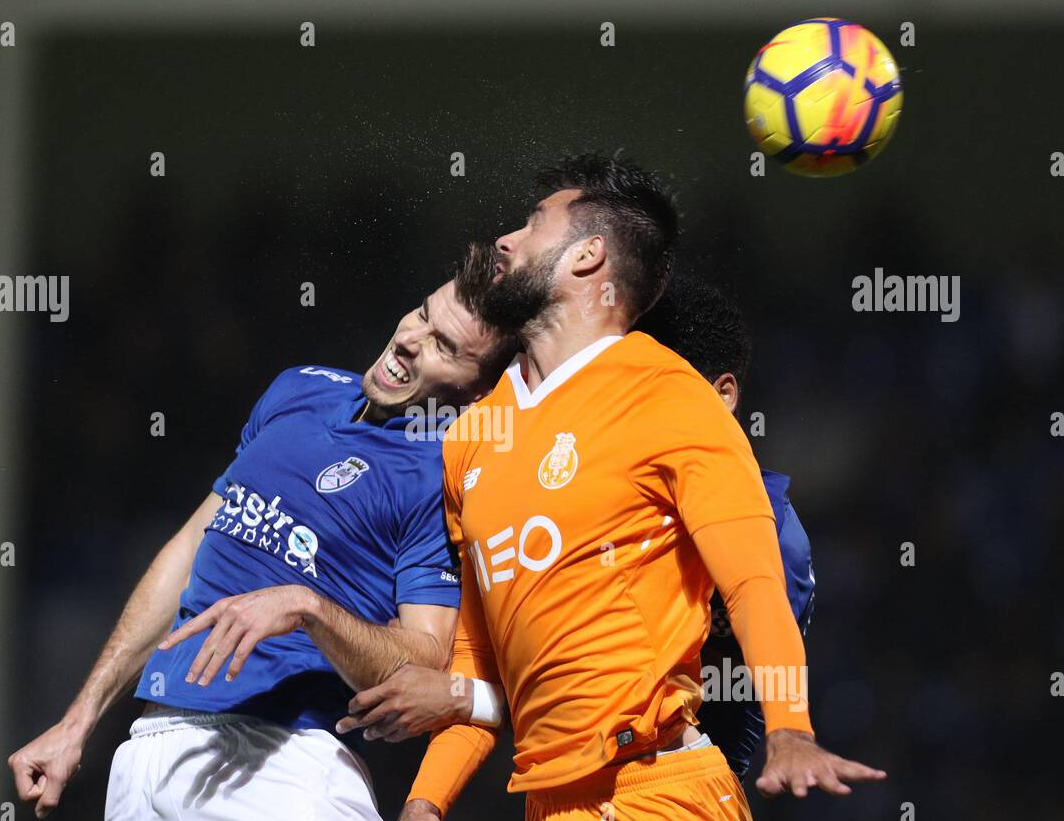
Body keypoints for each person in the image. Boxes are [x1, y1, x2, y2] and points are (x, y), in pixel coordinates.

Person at [379, 153, 885, 821]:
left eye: (532, 225)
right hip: (548, 819)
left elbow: (753, 583)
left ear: (588, 256)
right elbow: (476, 662)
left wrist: (790, 728)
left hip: (658, 801)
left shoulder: (670, 398)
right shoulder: (472, 437)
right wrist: (424, 804)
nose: (506, 240)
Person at [8, 265, 516, 821]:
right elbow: (191, 548)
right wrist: (78, 723)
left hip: (285, 769)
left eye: (444, 346)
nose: (410, 337)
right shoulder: (298, 388)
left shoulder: (440, 473)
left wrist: (307, 608)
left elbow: (425, 660)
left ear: (477, 390)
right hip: (149, 759)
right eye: (424, 314)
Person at [339, 273, 817, 780]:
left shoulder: (772, 545)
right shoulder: (525, 472)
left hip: (672, 783)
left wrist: (462, 697)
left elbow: (713, 707)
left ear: (720, 396)